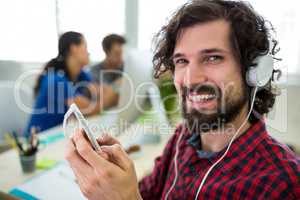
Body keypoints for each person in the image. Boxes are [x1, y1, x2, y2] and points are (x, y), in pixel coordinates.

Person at [65, 1, 300, 199]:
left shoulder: (285, 183)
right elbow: (145, 193)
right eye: (181, 61)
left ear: (254, 71)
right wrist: (118, 179)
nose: (190, 78)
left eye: (213, 57)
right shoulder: (183, 138)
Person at [25, 31, 100, 136]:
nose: (88, 53)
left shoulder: (81, 74)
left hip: (59, 134)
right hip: (38, 140)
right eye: (86, 47)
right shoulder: (55, 80)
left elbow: (100, 91)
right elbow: (89, 109)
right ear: (74, 48)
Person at [89, 34, 126, 108]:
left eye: (122, 53)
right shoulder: (94, 72)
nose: (121, 58)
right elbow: (101, 97)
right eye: (117, 54)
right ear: (106, 52)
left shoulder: (125, 69)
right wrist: (119, 84)